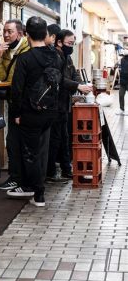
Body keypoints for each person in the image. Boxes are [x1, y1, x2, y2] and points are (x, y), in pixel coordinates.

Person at [9, 16, 62, 206]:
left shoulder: (25, 59)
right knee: (41, 151)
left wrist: (16, 114)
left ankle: (37, 192)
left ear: (26, 35)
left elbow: (17, 90)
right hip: (50, 112)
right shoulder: (55, 56)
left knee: (30, 153)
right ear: (45, 34)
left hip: (30, 113)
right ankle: (33, 186)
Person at [46, 29, 92, 182]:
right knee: (54, 139)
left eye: (73, 43)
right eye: (69, 43)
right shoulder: (53, 57)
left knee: (64, 138)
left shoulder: (67, 57)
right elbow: (59, 79)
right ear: (58, 42)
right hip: (54, 105)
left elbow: (74, 74)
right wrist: (77, 87)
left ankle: (66, 169)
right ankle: (50, 172)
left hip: (64, 105)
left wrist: (81, 84)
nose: (71, 46)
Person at [0, 19, 29, 191]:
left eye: (10, 31)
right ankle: (15, 178)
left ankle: (24, 180)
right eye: (4, 31)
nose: (6, 35)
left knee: (22, 142)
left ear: (20, 33)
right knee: (12, 141)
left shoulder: (28, 49)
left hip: (26, 103)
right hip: (12, 101)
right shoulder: (4, 50)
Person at [116, 50, 128, 115]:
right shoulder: (121, 60)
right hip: (123, 81)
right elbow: (116, 65)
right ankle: (121, 109)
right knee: (121, 95)